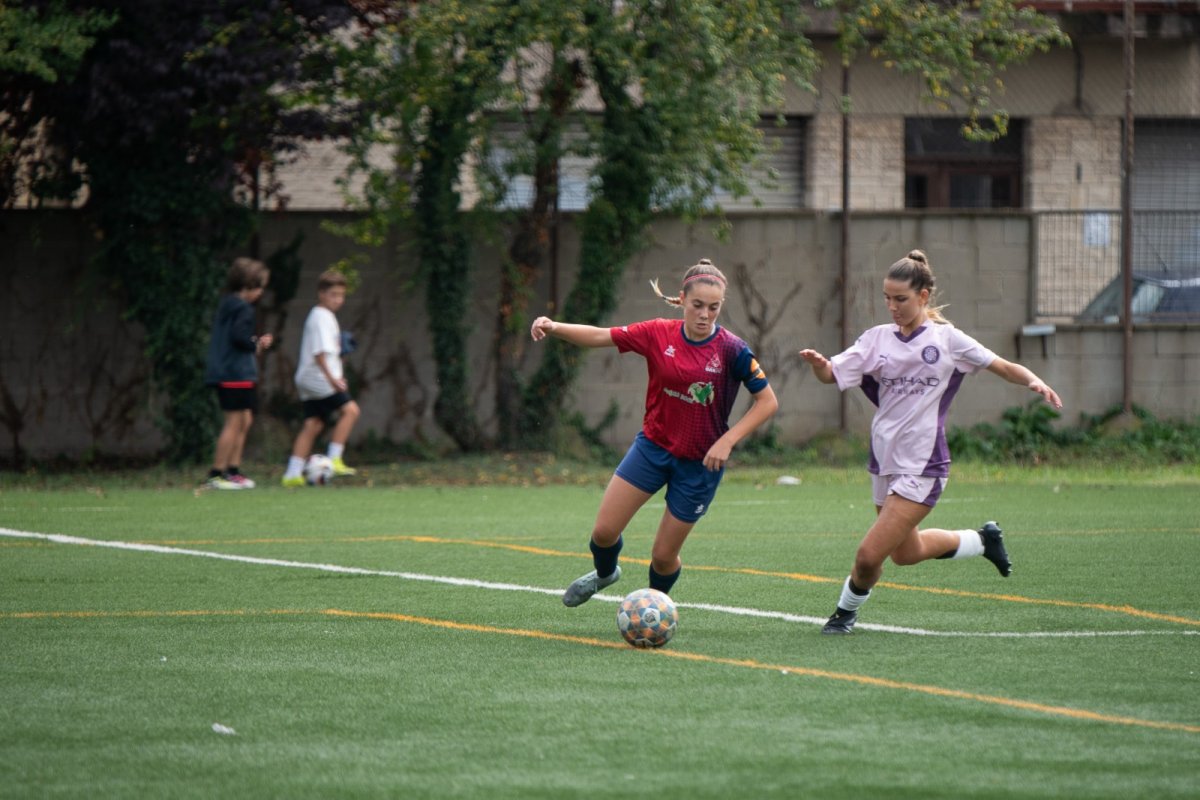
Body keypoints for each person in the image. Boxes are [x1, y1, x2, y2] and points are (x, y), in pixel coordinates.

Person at [799, 249, 1063, 634]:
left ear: (923, 296)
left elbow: (1002, 366)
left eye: (901, 299)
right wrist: (820, 366)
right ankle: (981, 540)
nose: (892, 307)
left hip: (923, 465)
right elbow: (833, 375)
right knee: (908, 553)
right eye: (887, 299)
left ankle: (843, 615)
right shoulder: (877, 340)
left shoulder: (947, 340)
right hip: (883, 461)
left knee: (869, 555)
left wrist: (1032, 380)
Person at [530, 258, 779, 606]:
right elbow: (602, 335)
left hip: (699, 465)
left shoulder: (732, 350)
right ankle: (605, 574)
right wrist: (554, 326)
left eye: (714, 307)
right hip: (653, 448)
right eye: (697, 305)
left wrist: (727, 441)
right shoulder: (657, 333)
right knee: (603, 533)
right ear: (682, 300)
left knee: (663, 557)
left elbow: (767, 402)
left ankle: (654, 606)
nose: (705, 314)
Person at [281, 269, 361, 487]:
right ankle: (335, 458)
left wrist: (341, 356)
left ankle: (292, 474)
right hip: (319, 377)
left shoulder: (324, 316)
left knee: (313, 424)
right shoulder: (321, 317)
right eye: (333, 294)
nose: (338, 300)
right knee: (351, 410)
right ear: (321, 294)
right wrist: (333, 379)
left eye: (341, 295)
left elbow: (329, 352)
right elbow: (319, 354)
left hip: (308, 378)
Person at [204, 257, 274, 490]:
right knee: (234, 422)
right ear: (248, 285)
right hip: (235, 373)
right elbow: (239, 338)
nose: (261, 292)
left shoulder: (228, 304)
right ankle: (217, 474)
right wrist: (258, 343)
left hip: (229, 372)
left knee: (245, 419)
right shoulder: (243, 308)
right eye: (260, 286)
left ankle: (233, 471)